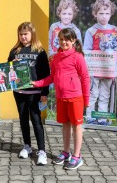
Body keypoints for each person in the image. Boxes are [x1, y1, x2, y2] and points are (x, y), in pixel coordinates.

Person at [32, 28, 90, 170]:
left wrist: (86, 100)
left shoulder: (78, 57)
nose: (63, 42)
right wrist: (38, 83)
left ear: (73, 41)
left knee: (77, 126)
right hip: (61, 97)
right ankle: (66, 152)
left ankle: (77, 156)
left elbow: (85, 78)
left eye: (67, 40)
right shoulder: (56, 58)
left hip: (75, 97)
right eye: (61, 39)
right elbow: (52, 77)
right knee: (65, 125)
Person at [7, 22, 50, 166]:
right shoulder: (14, 51)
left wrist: (45, 92)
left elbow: (46, 73)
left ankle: (42, 151)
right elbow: (8, 70)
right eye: (21, 34)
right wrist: (13, 65)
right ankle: (27, 146)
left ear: (32, 34)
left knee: (36, 119)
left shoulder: (40, 51)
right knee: (23, 118)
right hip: (19, 91)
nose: (23, 37)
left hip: (35, 91)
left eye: (26, 34)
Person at [83, 0, 117, 125]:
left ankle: (102, 118)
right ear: (95, 14)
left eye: (107, 13)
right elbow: (86, 51)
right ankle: (90, 117)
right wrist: (88, 70)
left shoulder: (116, 31)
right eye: (101, 13)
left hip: (109, 70)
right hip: (94, 70)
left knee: (105, 95)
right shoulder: (91, 31)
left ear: (111, 13)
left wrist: (116, 69)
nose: (104, 16)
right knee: (93, 94)